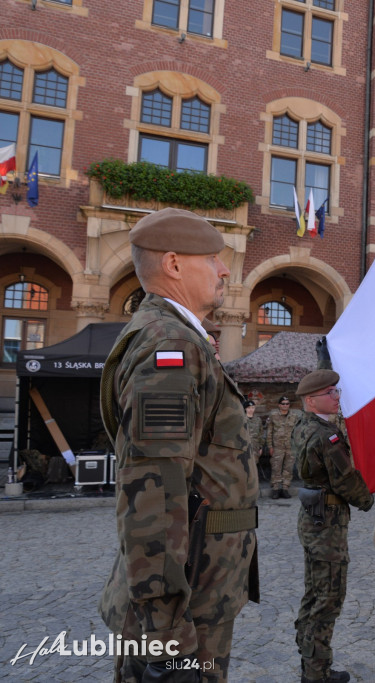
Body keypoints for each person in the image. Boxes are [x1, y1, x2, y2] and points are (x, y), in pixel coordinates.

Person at [98, 207, 258, 681]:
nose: (225, 269)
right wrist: (165, 635)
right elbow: (153, 491)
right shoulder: (170, 344)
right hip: (185, 603)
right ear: (173, 265)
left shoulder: (178, 336)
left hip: (200, 586)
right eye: (213, 259)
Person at [292, 369, 374, 683]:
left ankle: (312, 666)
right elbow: (345, 478)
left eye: (337, 392)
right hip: (327, 524)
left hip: (313, 518)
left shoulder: (303, 425)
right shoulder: (325, 434)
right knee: (327, 599)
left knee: (315, 594)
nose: (337, 398)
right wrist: (367, 499)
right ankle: (316, 675)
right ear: (312, 399)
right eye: (331, 393)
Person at [266, 395, 300, 499]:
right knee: (276, 468)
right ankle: (276, 489)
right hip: (277, 447)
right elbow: (269, 432)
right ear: (279, 405)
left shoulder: (294, 416)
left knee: (288, 469)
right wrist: (270, 446)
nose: (285, 406)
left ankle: (285, 488)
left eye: (287, 404)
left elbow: (297, 431)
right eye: (283, 404)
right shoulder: (273, 415)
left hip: (290, 447)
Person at [244, 399, 265, 471]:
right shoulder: (242, 419)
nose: (251, 409)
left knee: (254, 467)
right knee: (244, 467)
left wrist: (260, 447)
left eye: (252, 407)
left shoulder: (258, 420)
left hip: (255, 447)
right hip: (244, 447)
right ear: (245, 408)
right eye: (249, 408)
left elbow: (261, 434)